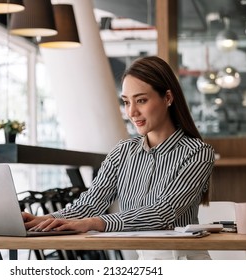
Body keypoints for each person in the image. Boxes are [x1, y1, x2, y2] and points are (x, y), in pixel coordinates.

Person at [22, 56, 215, 260]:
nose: (131, 112)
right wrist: (42, 220)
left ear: (167, 98)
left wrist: (94, 223)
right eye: (126, 102)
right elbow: (89, 204)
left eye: (141, 100)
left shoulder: (197, 152)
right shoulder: (123, 152)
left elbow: (163, 212)